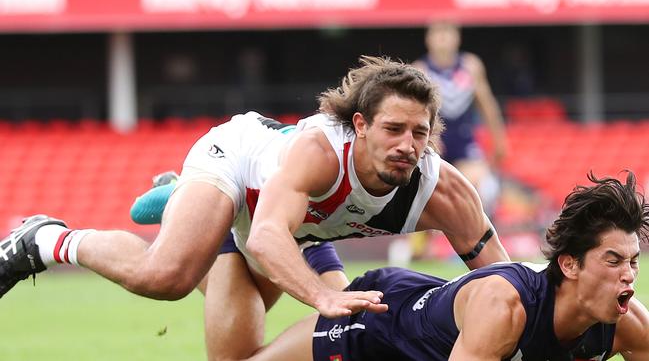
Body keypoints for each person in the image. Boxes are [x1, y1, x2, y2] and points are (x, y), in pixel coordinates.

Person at [0, 56, 510, 360]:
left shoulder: (444, 191)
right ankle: (45, 239)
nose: (407, 144)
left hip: (297, 226)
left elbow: (511, 285)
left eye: (419, 133)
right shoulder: (319, 154)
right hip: (241, 172)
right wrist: (318, 297)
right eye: (393, 129)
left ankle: (185, 202)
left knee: (330, 334)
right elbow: (267, 236)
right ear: (359, 125)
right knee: (169, 275)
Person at [239, 171, 649, 361]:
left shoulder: (628, 323)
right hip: (378, 327)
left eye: (632, 261)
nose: (627, 273)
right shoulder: (504, 306)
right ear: (570, 265)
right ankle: (239, 223)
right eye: (612, 260)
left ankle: (310, 243)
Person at [413, 21, 507, 216]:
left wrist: (499, 142)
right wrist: (427, 141)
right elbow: (414, 113)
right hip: (435, 145)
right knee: (422, 201)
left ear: (458, 38)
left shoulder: (470, 66)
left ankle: (476, 241)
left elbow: (487, 105)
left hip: (465, 144)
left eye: (448, 32)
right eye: (438, 32)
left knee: (483, 190)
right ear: (428, 39)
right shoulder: (420, 70)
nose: (443, 38)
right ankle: (419, 244)